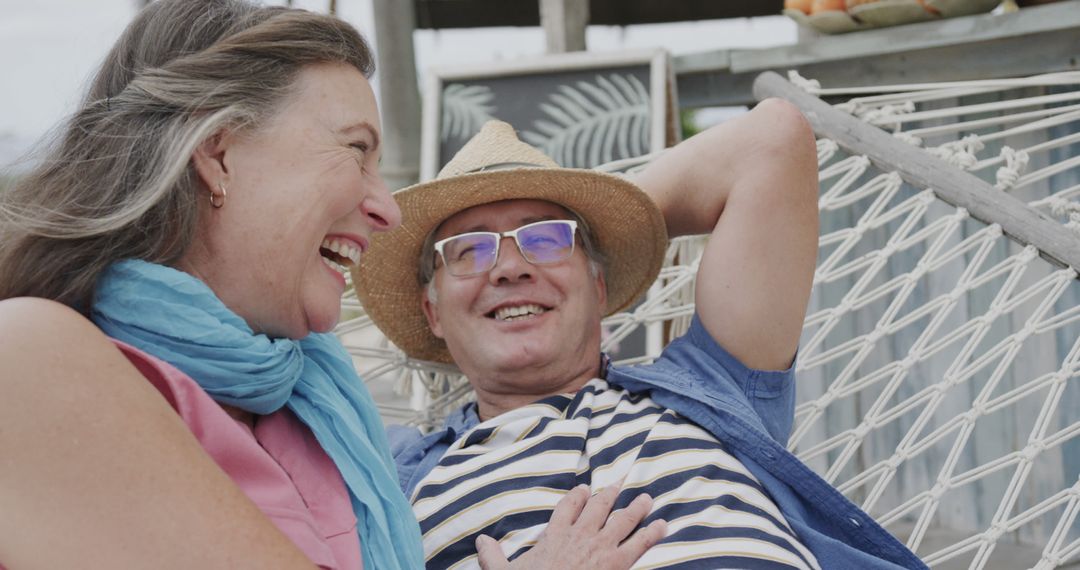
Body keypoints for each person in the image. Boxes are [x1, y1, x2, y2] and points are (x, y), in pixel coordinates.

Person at [0, 1, 666, 568]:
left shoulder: (313, 409)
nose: (389, 207)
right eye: (356, 150)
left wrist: (574, 244)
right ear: (218, 151)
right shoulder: (31, 359)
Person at [355, 117, 929, 569]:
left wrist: (610, 225)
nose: (509, 267)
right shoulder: (393, 473)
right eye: (471, 251)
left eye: (546, 239)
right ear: (432, 310)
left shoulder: (708, 386)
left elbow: (772, 140)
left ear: (599, 286)